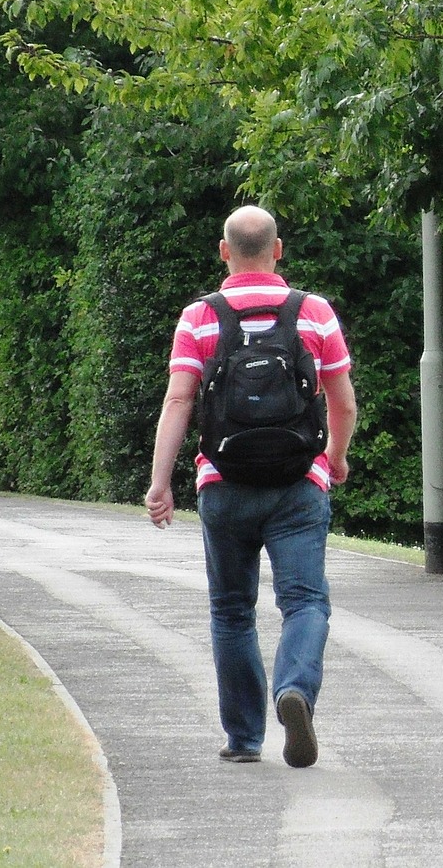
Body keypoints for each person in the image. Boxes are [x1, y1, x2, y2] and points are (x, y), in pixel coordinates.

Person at [144, 205, 357, 768]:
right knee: (305, 601)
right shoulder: (314, 313)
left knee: (232, 610)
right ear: (278, 249)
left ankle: (243, 737)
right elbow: (342, 401)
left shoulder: (199, 318)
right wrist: (333, 458)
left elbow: (179, 400)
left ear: (224, 251)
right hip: (298, 484)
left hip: (224, 482)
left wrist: (160, 483)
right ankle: (294, 689)